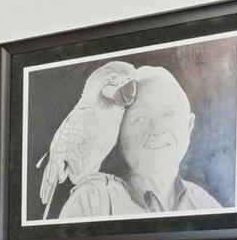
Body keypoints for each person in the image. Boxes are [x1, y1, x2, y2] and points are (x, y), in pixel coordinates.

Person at [56, 66, 225, 218]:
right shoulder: (93, 201)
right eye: (140, 118)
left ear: (189, 126)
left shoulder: (207, 206)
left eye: (168, 114)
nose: (157, 129)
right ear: (119, 136)